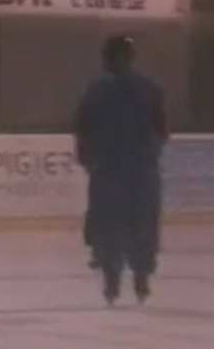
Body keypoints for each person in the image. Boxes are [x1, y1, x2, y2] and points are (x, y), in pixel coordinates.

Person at [74, 36, 168, 306]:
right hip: (142, 170)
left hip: (108, 171)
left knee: (108, 225)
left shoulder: (95, 90)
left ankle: (111, 282)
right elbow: (161, 130)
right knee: (143, 223)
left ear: (106, 59)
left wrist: (89, 161)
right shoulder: (150, 89)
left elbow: (82, 129)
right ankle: (141, 278)